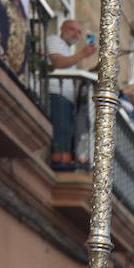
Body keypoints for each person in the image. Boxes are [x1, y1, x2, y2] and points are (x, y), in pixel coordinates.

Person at [45, 20, 97, 170]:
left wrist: (94, 69)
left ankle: (67, 162)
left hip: (67, 98)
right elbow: (58, 63)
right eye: (72, 29)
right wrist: (82, 54)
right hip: (56, 93)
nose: (76, 34)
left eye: (79, 32)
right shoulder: (54, 40)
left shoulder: (68, 51)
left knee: (68, 133)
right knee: (61, 131)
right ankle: (59, 163)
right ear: (62, 28)